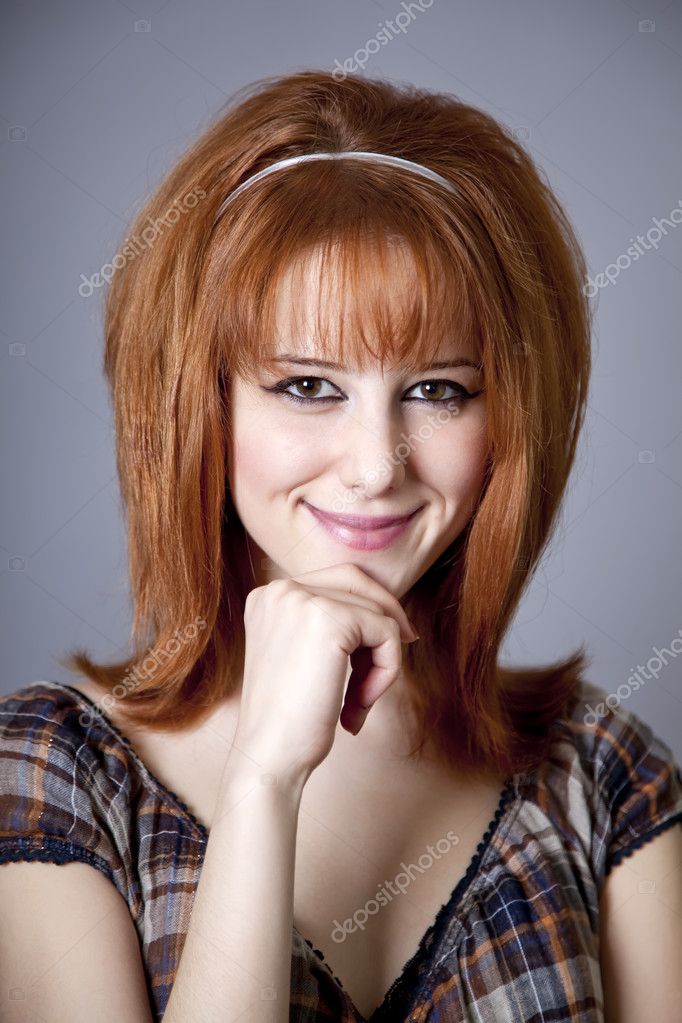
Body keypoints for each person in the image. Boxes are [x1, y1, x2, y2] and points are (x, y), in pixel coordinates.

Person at [1, 69, 681, 1023]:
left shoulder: (603, 778)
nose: (374, 466)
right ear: (205, 402)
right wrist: (262, 787)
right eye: (309, 385)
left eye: (440, 389)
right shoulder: (54, 776)